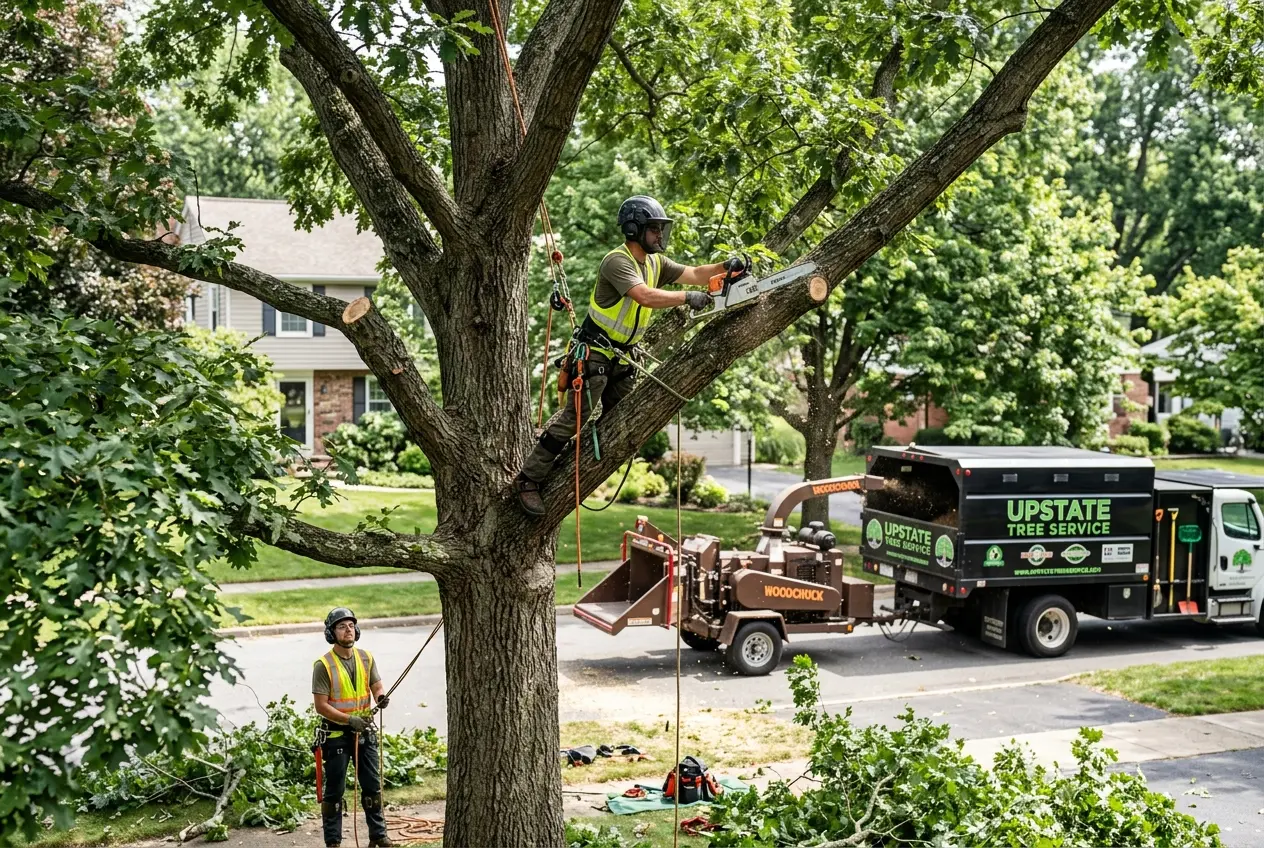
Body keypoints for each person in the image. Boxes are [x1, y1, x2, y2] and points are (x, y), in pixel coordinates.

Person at [516, 195, 747, 515]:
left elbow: (695, 272)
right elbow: (644, 296)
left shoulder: (655, 263)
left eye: (661, 229)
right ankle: (529, 479)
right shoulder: (617, 261)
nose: (660, 235)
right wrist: (686, 298)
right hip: (596, 354)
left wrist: (726, 267)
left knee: (621, 420)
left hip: (622, 358)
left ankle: (580, 464)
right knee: (575, 418)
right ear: (634, 229)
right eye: (654, 229)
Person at [312, 607, 392, 848]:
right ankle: (333, 843)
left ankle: (378, 836)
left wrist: (380, 697)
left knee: (372, 786)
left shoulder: (366, 658)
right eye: (341, 626)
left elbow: (376, 685)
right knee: (334, 792)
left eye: (351, 626)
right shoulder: (323, 665)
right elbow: (321, 706)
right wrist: (349, 720)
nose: (348, 630)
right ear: (331, 633)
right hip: (336, 735)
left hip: (364, 733)